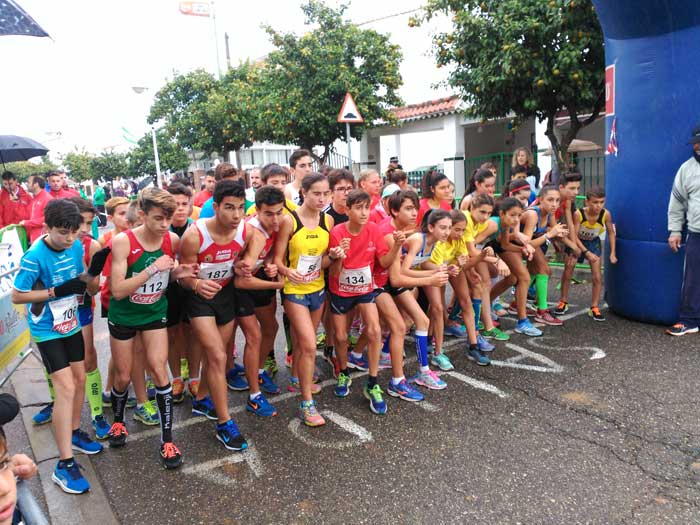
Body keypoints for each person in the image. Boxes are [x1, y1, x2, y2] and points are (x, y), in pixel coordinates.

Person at [12, 199, 108, 494]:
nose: (69, 239)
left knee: (79, 380)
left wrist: (93, 276)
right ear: (47, 228)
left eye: (74, 233)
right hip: (46, 328)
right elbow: (17, 295)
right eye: (62, 233)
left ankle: (75, 432)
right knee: (65, 387)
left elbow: (83, 284)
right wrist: (54, 291)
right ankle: (63, 465)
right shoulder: (34, 257)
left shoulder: (77, 246)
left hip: (71, 322)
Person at [106, 188, 197, 469]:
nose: (164, 225)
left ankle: (167, 439)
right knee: (122, 376)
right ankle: (119, 421)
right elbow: (118, 290)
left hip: (155, 312)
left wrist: (179, 273)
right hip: (123, 316)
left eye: (168, 219)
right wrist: (152, 269)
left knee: (159, 369)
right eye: (158, 218)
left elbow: (168, 276)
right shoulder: (122, 242)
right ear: (142, 215)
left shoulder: (171, 239)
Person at [179, 180, 256, 450]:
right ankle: (225, 424)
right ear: (215, 207)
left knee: (218, 355)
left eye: (240, 208)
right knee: (218, 356)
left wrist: (246, 263)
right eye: (229, 208)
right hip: (199, 298)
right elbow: (182, 276)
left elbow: (251, 246)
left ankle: (201, 400)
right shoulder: (194, 236)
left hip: (225, 295)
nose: (236, 215)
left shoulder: (244, 230)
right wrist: (197, 284)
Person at [274, 173, 341, 426]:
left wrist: (334, 256)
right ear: (303, 192)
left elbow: (323, 261)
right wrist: (288, 271)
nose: (322, 198)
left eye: (326, 193)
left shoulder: (329, 220)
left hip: (318, 288)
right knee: (310, 345)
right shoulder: (289, 221)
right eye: (316, 193)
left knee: (304, 346)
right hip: (294, 290)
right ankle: (306, 404)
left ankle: (295, 377)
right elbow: (277, 260)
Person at [328, 190, 392, 414]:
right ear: (348, 211)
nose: (364, 212)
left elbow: (383, 261)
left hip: (365, 289)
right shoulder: (337, 232)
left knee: (374, 330)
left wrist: (397, 248)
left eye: (367, 207)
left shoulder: (374, 229)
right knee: (341, 336)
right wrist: (339, 256)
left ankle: (373, 383)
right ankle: (344, 371)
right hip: (340, 291)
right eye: (358, 208)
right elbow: (334, 273)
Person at [235, 185, 286, 401]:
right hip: (235, 287)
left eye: (278, 212)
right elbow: (241, 281)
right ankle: (254, 395)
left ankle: (257, 372)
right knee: (253, 337)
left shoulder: (280, 223)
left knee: (271, 327)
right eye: (268, 214)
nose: (275, 220)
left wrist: (269, 264)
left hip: (257, 278)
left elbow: (268, 254)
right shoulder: (253, 232)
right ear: (256, 210)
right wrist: (277, 285)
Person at [519, 185, 569, 326]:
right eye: (550, 200)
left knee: (536, 271)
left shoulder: (550, 213)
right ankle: (542, 311)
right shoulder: (533, 214)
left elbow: (554, 232)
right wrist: (550, 234)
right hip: (512, 245)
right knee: (544, 270)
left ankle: (516, 303)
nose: (554, 204)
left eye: (557, 200)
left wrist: (561, 239)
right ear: (540, 199)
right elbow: (526, 245)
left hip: (532, 245)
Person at [667, 127, 700, 335]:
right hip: (696, 233)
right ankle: (689, 320)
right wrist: (675, 231)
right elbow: (677, 203)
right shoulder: (686, 169)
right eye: (696, 144)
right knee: (693, 279)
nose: (698, 148)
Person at [571, 187, 617, 321]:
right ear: (587, 202)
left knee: (597, 277)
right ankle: (563, 301)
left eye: (602, 202)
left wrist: (613, 253)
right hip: (578, 242)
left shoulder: (605, 214)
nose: (598, 206)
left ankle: (594, 307)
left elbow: (611, 232)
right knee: (568, 271)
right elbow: (574, 234)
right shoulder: (578, 214)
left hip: (594, 242)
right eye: (595, 202)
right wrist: (585, 252)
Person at [19, 175, 52, 243]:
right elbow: (27, 214)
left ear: (36, 184)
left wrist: (27, 223)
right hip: (33, 238)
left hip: (43, 239)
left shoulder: (47, 198)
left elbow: (47, 219)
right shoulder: (34, 198)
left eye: (29, 182)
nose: (27, 184)